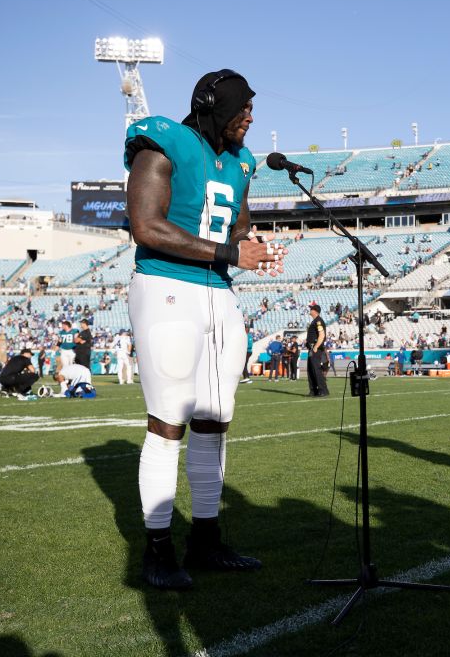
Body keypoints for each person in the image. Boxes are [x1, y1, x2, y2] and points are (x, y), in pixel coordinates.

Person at [125, 68, 287, 590]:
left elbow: (236, 224)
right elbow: (145, 225)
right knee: (169, 419)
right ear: (214, 105)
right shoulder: (163, 142)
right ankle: (156, 550)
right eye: (243, 108)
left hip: (219, 294)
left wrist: (249, 242)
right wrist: (229, 251)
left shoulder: (241, 162)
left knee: (215, 419)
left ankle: (207, 540)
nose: (250, 118)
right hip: (167, 287)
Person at [305, 305, 329, 397]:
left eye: (311, 309)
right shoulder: (315, 321)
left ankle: (323, 390)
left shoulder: (318, 321)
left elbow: (322, 335)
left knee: (316, 370)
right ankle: (313, 390)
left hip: (316, 349)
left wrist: (316, 347)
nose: (310, 310)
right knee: (311, 370)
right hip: (312, 349)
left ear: (315, 311)